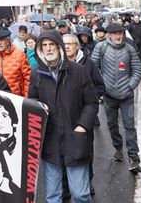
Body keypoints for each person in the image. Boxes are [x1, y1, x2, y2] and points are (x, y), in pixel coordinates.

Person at [28, 30, 99, 203]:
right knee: (53, 195)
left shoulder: (78, 70)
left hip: (75, 138)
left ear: (59, 46)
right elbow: (32, 100)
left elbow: (92, 102)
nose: (48, 49)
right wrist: (36, 107)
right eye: (44, 45)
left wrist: (82, 126)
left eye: (52, 44)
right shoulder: (37, 74)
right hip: (50, 141)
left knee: (80, 194)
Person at [91, 23, 141, 173]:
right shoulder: (101, 48)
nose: (118, 36)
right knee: (112, 125)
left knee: (129, 126)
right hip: (108, 96)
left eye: (120, 33)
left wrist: (129, 86)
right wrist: (102, 87)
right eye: (115, 34)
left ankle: (134, 158)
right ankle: (118, 149)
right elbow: (93, 70)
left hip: (127, 96)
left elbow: (138, 71)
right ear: (108, 35)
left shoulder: (129, 49)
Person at [63, 34, 106, 195]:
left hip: (83, 116)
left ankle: (87, 181)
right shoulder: (57, 64)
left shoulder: (88, 64)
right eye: (64, 44)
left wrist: (88, 100)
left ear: (77, 46)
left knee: (85, 150)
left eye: (70, 44)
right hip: (65, 115)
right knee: (64, 150)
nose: (66, 47)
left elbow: (100, 86)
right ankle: (66, 184)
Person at [0, 30, 31, 97]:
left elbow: (28, 78)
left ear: (7, 41)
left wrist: (26, 98)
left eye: (2, 40)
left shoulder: (20, 55)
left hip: (16, 97)